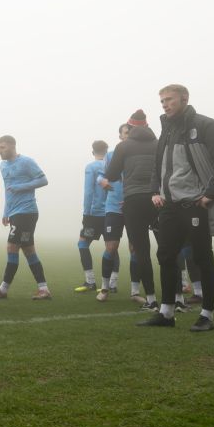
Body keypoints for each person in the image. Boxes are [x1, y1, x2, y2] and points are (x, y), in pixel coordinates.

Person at [138, 84, 214, 332]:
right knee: (165, 256)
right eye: (161, 101)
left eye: (169, 99)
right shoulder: (167, 131)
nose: (164, 104)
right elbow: (158, 166)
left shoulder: (207, 126)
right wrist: (155, 191)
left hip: (195, 203)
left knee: (202, 257)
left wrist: (210, 195)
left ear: (184, 98)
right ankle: (167, 313)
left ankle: (207, 315)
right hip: (170, 205)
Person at [0, 136, 51, 300]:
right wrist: (6, 211)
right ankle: (44, 289)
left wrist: (21, 187)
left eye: (2, 147)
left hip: (27, 211)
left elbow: (43, 180)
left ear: (13, 146)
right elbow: (8, 190)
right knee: (28, 250)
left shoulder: (26, 162)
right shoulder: (3, 165)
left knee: (12, 247)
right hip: (14, 213)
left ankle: (3, 289)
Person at [104, 110, 158, 310]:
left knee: (142, 251)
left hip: (134, 201)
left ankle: (151, 299)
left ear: (130, 127)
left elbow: (112, 174)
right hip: (159, 200)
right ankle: (176, 298)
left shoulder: (123, 146)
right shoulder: (160, 144)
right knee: (169, 251)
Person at [96, 125, 130, 302]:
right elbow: (100, 176)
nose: (129, 135)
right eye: (126, 133)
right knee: (111, 247)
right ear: (120, 136)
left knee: (136, 249)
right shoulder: (111, 156)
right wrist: (102, 181)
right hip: (113, 207)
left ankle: (136, 292)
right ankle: (104, 288)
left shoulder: (139, 156)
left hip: (134, 207)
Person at [74, 141, 108, 293]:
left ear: (92, 151)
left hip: (94, 214)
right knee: (111, 247)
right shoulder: (112, 166)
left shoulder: (91, 167)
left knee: (82, 244)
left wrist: (86, 213)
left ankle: (90, 281)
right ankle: (112, 284)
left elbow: (88, 191)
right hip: (111, 213)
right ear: (106, 151)